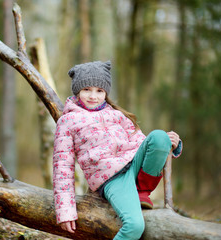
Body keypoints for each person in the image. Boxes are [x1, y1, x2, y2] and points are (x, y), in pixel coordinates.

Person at [53, 61, 182, 240]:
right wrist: (65, 210)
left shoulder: (116, 114)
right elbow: (62, 168)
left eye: (99, 91)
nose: (93, 96)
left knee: (160, 137)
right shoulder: (68, 121)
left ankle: (141, 191)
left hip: (135, 164)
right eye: (87, 90)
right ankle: (134, 194)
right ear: (77, 91)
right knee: (135, 226)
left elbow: (143, 143)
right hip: (112, 179)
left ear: (106, 92)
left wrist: (170, 143)